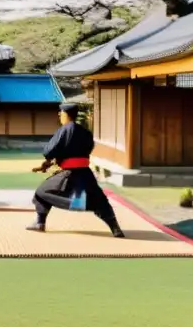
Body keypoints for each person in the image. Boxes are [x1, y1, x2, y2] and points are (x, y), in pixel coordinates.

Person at [28, 102, 125, 238]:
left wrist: (49, 160)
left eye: (60, 112)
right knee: (99, 200)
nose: (58, 115)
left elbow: (49, 150)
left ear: (65, 114)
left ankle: (40, 223)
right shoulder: (85, 132)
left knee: (41, 192)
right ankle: (115, 228)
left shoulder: (65, 129)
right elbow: (85, 150)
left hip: (69, 174)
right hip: (85, 173)